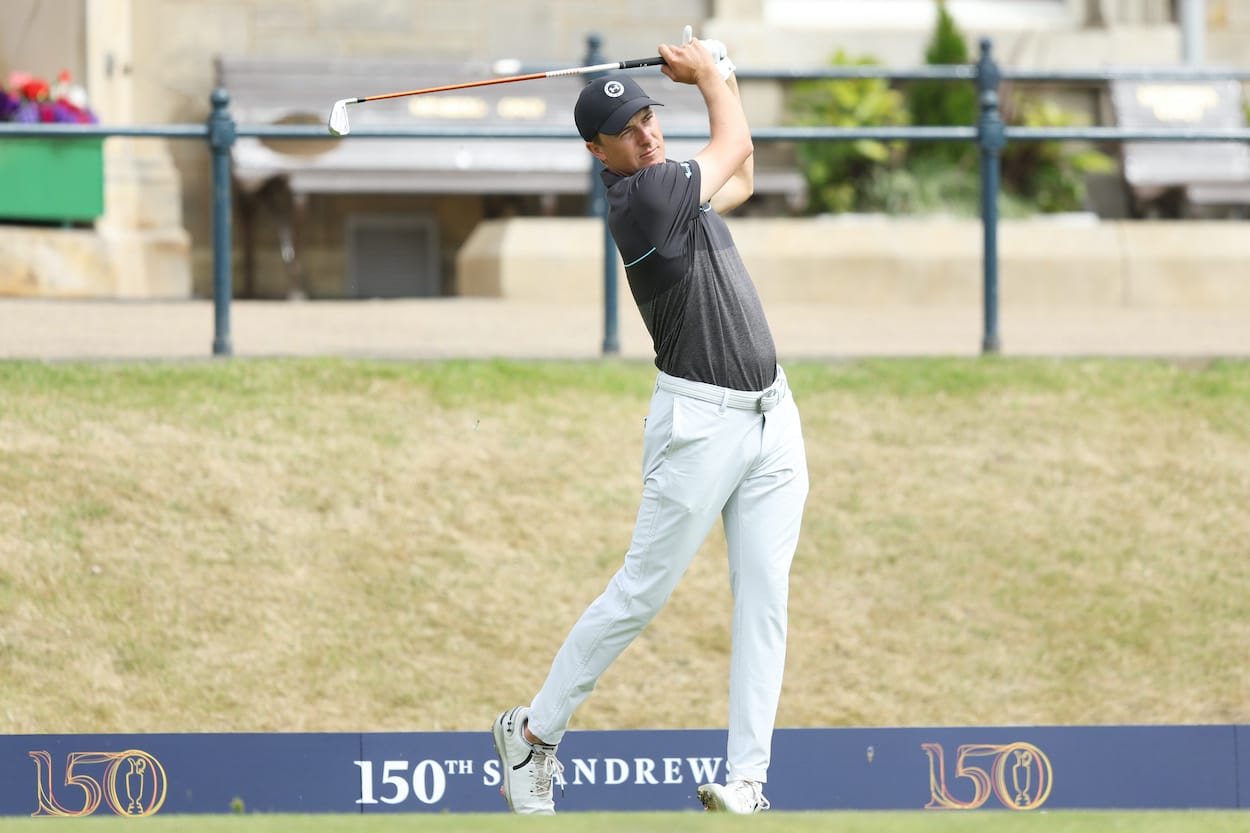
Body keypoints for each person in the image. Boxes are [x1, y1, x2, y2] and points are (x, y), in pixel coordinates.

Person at [492, 28, 809, 815]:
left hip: (773, 416)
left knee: (764, 596)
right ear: (601, 153)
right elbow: (732, 138)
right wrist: (709, 74)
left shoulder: (672, 181)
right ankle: (532, 732)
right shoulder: (641, 198)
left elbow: (741, 170)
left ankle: (747, 781)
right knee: (641, 592)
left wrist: (721, 73)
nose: (646, 131)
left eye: (649, 117)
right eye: (628, 130)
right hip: (700, 423)